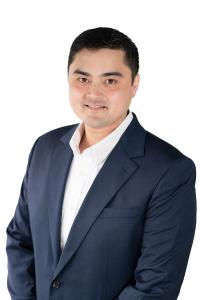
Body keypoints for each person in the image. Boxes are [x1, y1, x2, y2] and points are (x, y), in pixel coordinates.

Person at [6, 27, 197, 300]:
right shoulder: (45, 149)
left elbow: (155, 286)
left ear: (135, 84)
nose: (93, 94)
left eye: (110, 81)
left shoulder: (169, 170)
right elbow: (20, 240)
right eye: (82, 79)